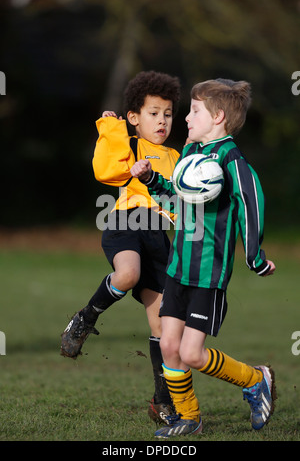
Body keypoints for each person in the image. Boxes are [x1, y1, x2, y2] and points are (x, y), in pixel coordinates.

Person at [130, 78, 277, 438]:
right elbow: (178, 198)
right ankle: (190, 418)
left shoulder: (231, 159)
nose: (186, 118)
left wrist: (254, 257)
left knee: (192, 353)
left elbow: (251, 203)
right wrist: (152, 181)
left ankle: (256, 379)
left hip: (208, 274)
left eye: (194, 111)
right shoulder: (192, 153)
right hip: (179, 267)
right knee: (168, 344)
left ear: (218, 116)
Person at [60, 70, 181, 424]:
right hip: (127, 224)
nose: (162, 121)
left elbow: (181, 201)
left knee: (165, 328)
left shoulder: (177, 157)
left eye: (168, 114)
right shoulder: (128, 143)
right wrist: (112, 130)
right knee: (128, 274)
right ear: (134, 118)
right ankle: (84, 319)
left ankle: (162, 402)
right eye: (153, 113)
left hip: (159, 236)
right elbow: (105, 170)